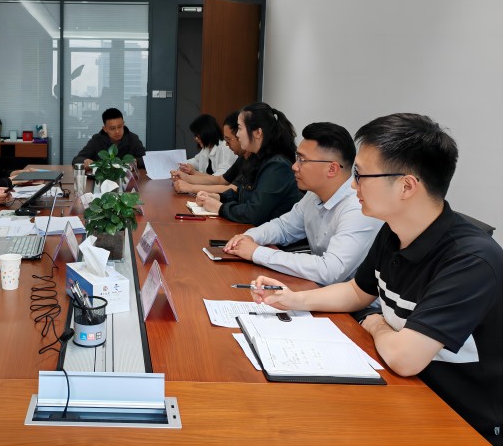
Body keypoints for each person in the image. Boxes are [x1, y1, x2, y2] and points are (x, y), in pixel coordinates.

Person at [250, 113, 502, 444]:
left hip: (460, 417)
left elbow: (405, 358)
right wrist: (292, 299)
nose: (353, 186)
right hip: (403, 389)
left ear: (407, 186)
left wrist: (377, 323)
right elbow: (358, 291)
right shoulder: (393, 231)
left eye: (361, 175)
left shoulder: (470, 260)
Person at [224, 122, 382, 285]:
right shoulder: (313, 195)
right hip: (316, 286)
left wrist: (257, 253)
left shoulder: (358, 207)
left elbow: (330, 270)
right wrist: (250, 237)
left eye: (302, 160)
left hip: (347, 298)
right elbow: (284, 227)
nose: (294, 166)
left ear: (332, 169)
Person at [196, 102, 301, 224]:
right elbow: (244, 193)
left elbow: (254, 213)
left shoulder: (277, 166)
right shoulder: (257, 158)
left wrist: (219, 208)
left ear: (257, 133)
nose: (237, 134)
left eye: (240, 128)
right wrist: (219, 197)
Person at [172, 110, 245, 195]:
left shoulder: (227, 149)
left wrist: (191, 180)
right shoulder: (206, 149)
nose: (195, 139)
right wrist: (184, 171)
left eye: (197, 135)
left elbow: (223, 182)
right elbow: (221, 179)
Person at [72, 107, 146, 169]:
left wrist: (136, 161)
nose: (117, 131)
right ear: (105, 129)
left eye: (120, 127)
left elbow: (146, 159)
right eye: (112, 128)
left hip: (128, 179)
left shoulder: (133, 138)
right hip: (103, 179)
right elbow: (76, 159)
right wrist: (85, 161)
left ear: (123, 124)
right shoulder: (97, 140)